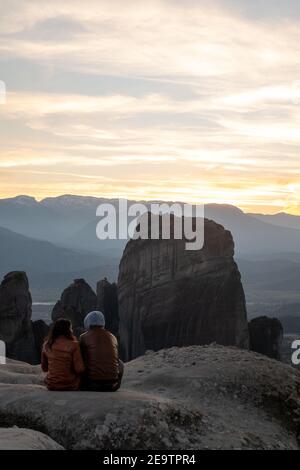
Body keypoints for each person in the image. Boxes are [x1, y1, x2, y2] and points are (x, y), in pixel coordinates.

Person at [80, 311, 124, 392]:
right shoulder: (113, 337)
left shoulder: (83, 337)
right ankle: (117, 383)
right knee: (120, 362)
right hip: (112, 385)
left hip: (92, 385)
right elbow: (116, 359)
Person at [41, 318, 85, 391]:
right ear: (68, 330)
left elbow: (44, 368)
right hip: (70, 385)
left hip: (51, 384)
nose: (72, 330)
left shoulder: (47, 345)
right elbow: (79, 369)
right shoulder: (74, 345)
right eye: (71, 328)